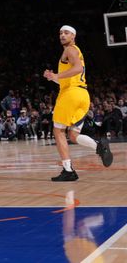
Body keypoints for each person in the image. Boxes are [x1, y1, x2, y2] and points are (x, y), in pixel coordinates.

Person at [43, 25, 113, 182]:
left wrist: (58, 74)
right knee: (73, 135)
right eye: (60, 32)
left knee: (58, 131)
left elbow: (78, 69)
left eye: (66, 33)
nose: (62, 35)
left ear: (73, 36)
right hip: (82, 95)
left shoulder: (70, 49)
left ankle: (68, 170)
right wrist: (53, 77)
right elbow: (68, 77)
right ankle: (98, 147)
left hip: (70, 95)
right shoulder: (73, 51)